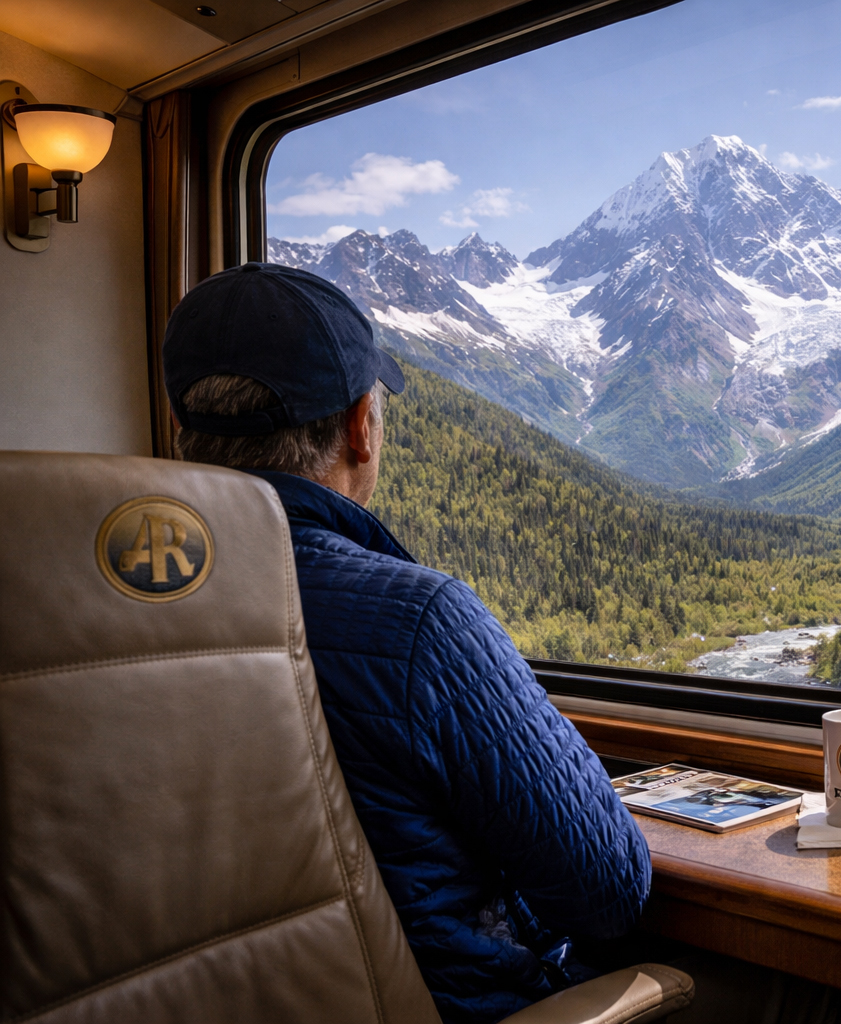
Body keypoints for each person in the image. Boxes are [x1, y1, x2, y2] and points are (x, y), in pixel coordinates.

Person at [163, 262, 650, 1024]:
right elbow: (609, 886)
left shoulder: (108, 618)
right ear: (362, 426)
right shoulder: (420, 623)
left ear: (181, 436)